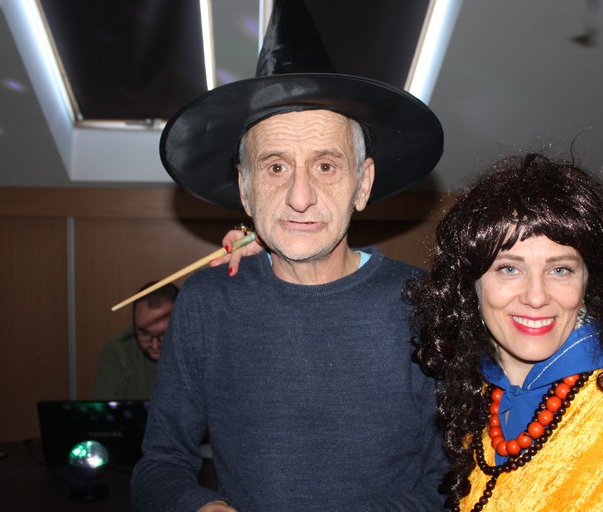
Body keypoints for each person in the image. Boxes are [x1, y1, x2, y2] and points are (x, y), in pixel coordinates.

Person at [130, 1, 446, 511]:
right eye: (275, 167)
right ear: (245, 188)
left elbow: (451, 476)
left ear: (363, 184)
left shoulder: (424, 304)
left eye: (326, 166)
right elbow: (160, 464)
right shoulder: (207, 302)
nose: (300, 197)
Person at [402, 153, 603, 511]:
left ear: (588, 283)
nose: (536, 297)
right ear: (471, 285)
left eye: (560, 270)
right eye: (509, 268)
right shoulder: (476, 395)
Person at [92, 281, 178, 400]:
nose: (154, 345)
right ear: (134, 323)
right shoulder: (119, 350)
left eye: (164, 334)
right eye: (144, 333)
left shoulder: (200, 349)